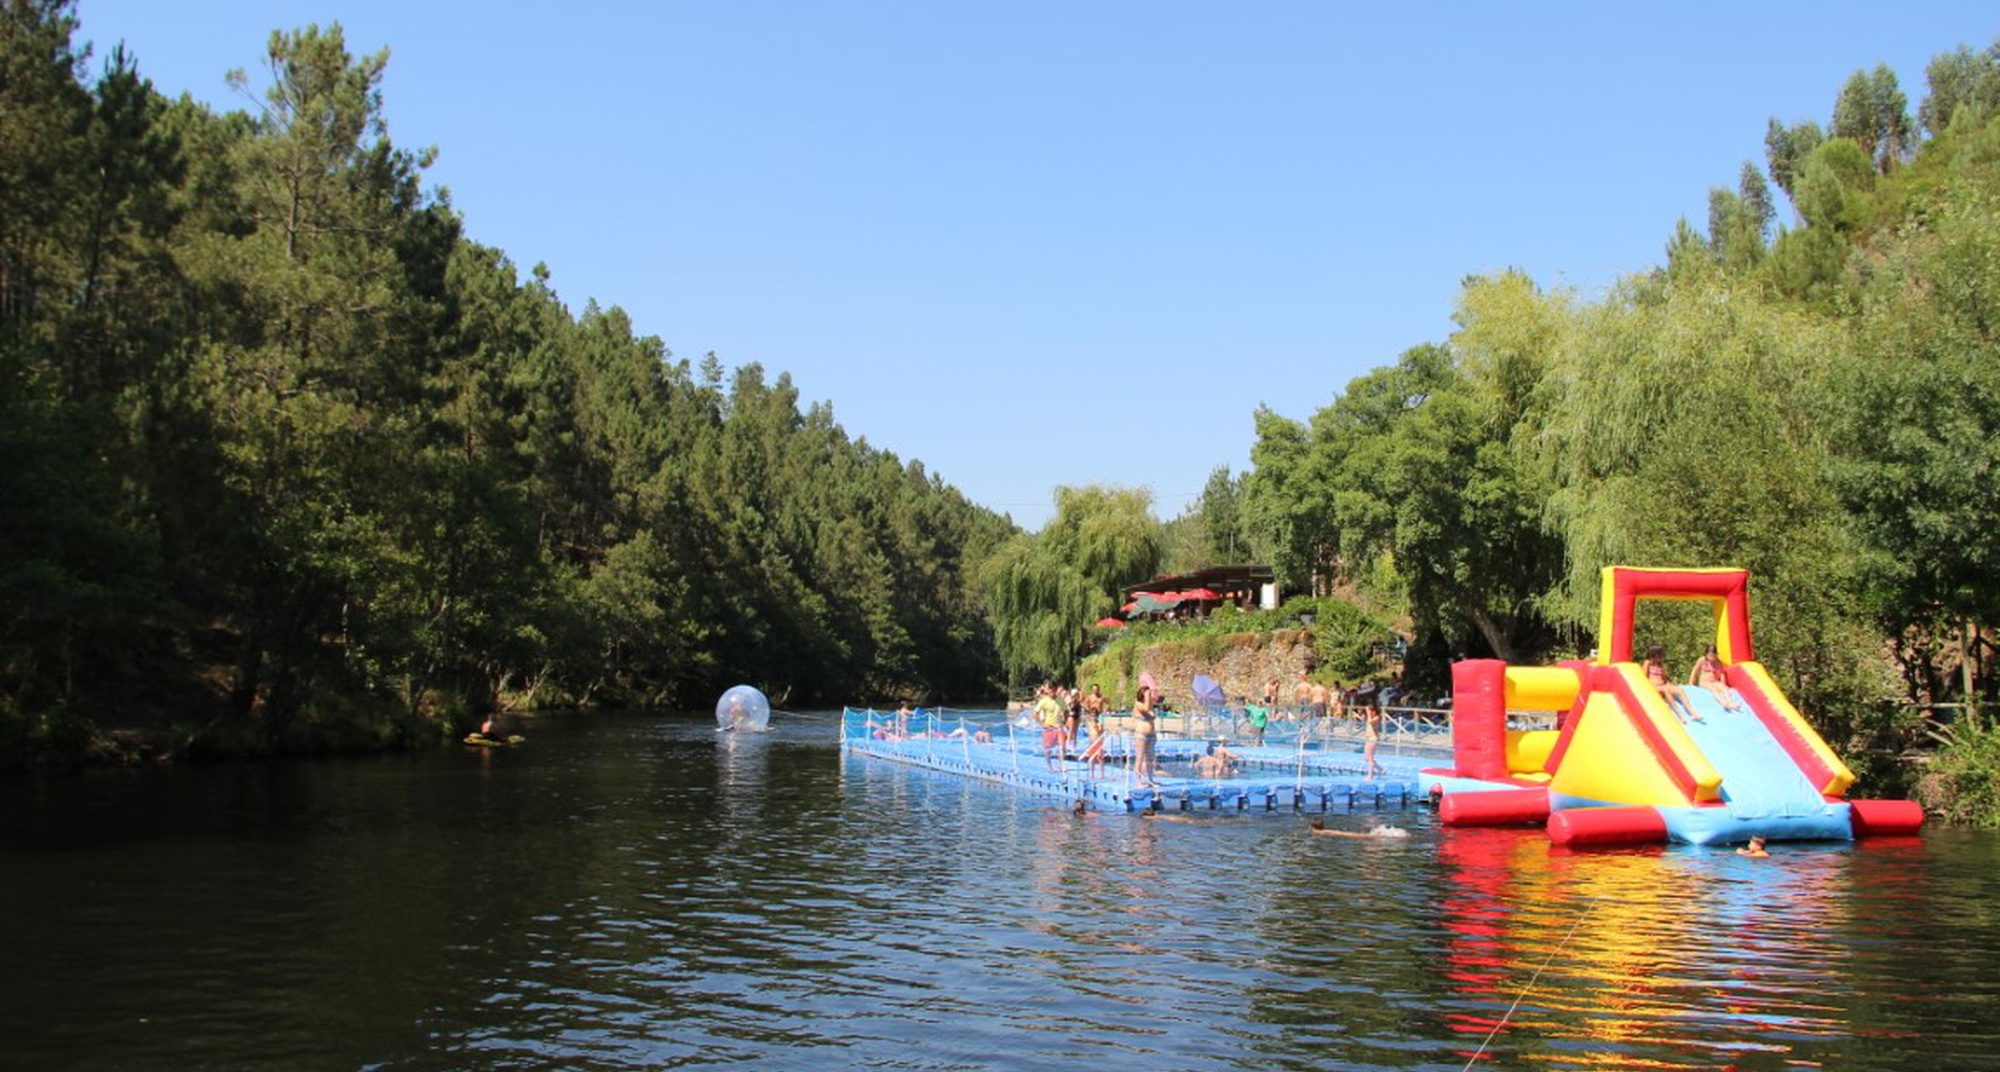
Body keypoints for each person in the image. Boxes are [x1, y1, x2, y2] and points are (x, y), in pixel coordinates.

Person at [1645, 645, 1701, 723]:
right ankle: (1680, 715)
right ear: (1654, 654)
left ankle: (1692, 713)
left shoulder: (1660, 664)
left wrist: (1671, 684)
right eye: (1660, 655)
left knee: (1680, 690)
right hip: (1654, 686)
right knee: (1666, 690)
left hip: (1663, 685)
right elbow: (1644, 676)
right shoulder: (1648, 663)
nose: (1661, 657)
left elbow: (1664, 678)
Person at [1693, 645, 1743, 711]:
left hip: (1714, 681)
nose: (1712, 657)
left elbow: (1722, 674)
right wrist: (1691, 683)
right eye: (1710, 655)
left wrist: (1723, 684)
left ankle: (1731, 702)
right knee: (1713, 689)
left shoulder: (1718, 662)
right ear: (1706, 654)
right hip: (1704, 681)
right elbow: (1694, 672)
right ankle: (1723, 702)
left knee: (1724, 689)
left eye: (1713, 655)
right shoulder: (1702, 660)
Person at [1132, 685, 1161, 787]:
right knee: (1139, 757)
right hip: (1141, 734)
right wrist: (1147, 698)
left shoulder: (1151, 704)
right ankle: (1138, 780)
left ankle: (1150, 779)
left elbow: (1151, 712)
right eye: (1148, 694)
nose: (1150, 695)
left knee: (1150, 758)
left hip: (1151, 735)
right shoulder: (1139, 703)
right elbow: (1145, 709)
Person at [1032, 685, 1067, 771]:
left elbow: (1066, 710)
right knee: (1048, 749)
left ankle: (1061, 765)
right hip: (1049, 727)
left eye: (1054, 691)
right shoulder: (1044, 701)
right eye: (1050, 691)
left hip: (1059, 726)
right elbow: (1035, 713)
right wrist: (1042, 723)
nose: (1052, 693)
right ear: (1048, 691)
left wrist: (1064, 721)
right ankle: (1049, 766)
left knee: (1062, 747)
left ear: (1056, 690)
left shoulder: (1060, 700)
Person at [1309, 816, 1410, 839]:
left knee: (1369, 837)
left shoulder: (1319, 832)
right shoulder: (1324, 831)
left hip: (1350, 835)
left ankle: (1380, 834)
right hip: (1348, 834)